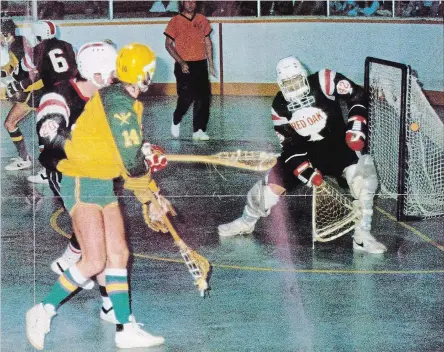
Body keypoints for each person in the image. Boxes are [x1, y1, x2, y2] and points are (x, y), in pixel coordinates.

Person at [26, 43, 167, 350]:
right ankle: (42, 310)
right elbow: (129, 161)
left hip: (102, 181)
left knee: (119, 255)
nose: (151, 77)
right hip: (81, 179)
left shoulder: (126, 103)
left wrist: (143, 154)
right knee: (93, 260)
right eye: (148, 72)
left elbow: (123, 150)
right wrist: (149, 194)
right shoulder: (117, 103)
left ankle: (124, 326)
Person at [218, 56, 387, 254]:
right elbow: (289, 145)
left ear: (305, 76)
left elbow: (357, 95)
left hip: (338, 146)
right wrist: (302, 169)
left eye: (296, 80)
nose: (293, 87)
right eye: (287, 83)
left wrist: (356, 124)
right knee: (268, 188)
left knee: (364, 179)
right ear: (280, 84)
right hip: (305, 152)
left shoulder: (324, 80)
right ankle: (246, 221)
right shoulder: (279, 106)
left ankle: (362, 235)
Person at [37, 41, 121, 323]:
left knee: (102, 242)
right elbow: (50, 128)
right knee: (99, 243)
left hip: (96, 172)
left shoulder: (107, 97)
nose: (114, 79)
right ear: (95, 75)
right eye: (110, 74)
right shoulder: (59, 94)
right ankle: (107, 303)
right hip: (66, 173)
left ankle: (71, 264)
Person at [3, 20, 77, 176]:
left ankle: (48, 169)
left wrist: (19, 86)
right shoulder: (67, 46)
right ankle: (36, 162)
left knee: (41, 129)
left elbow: (28, 74)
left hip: (43, 92)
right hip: (66, 91)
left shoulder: (33, 50)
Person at [164, 0, 215, 141]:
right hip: (184, 65)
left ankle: (199, 130)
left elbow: (207, 42)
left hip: (200, 64)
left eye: (193, 1)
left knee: (203, 98)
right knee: (187, 97)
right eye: (187, 1)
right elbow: (168, 44)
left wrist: (210, 64)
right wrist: (181, 61)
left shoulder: (202, 20)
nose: (190, 4)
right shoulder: (175, 21)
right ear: (182, 3)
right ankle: (176, 118)